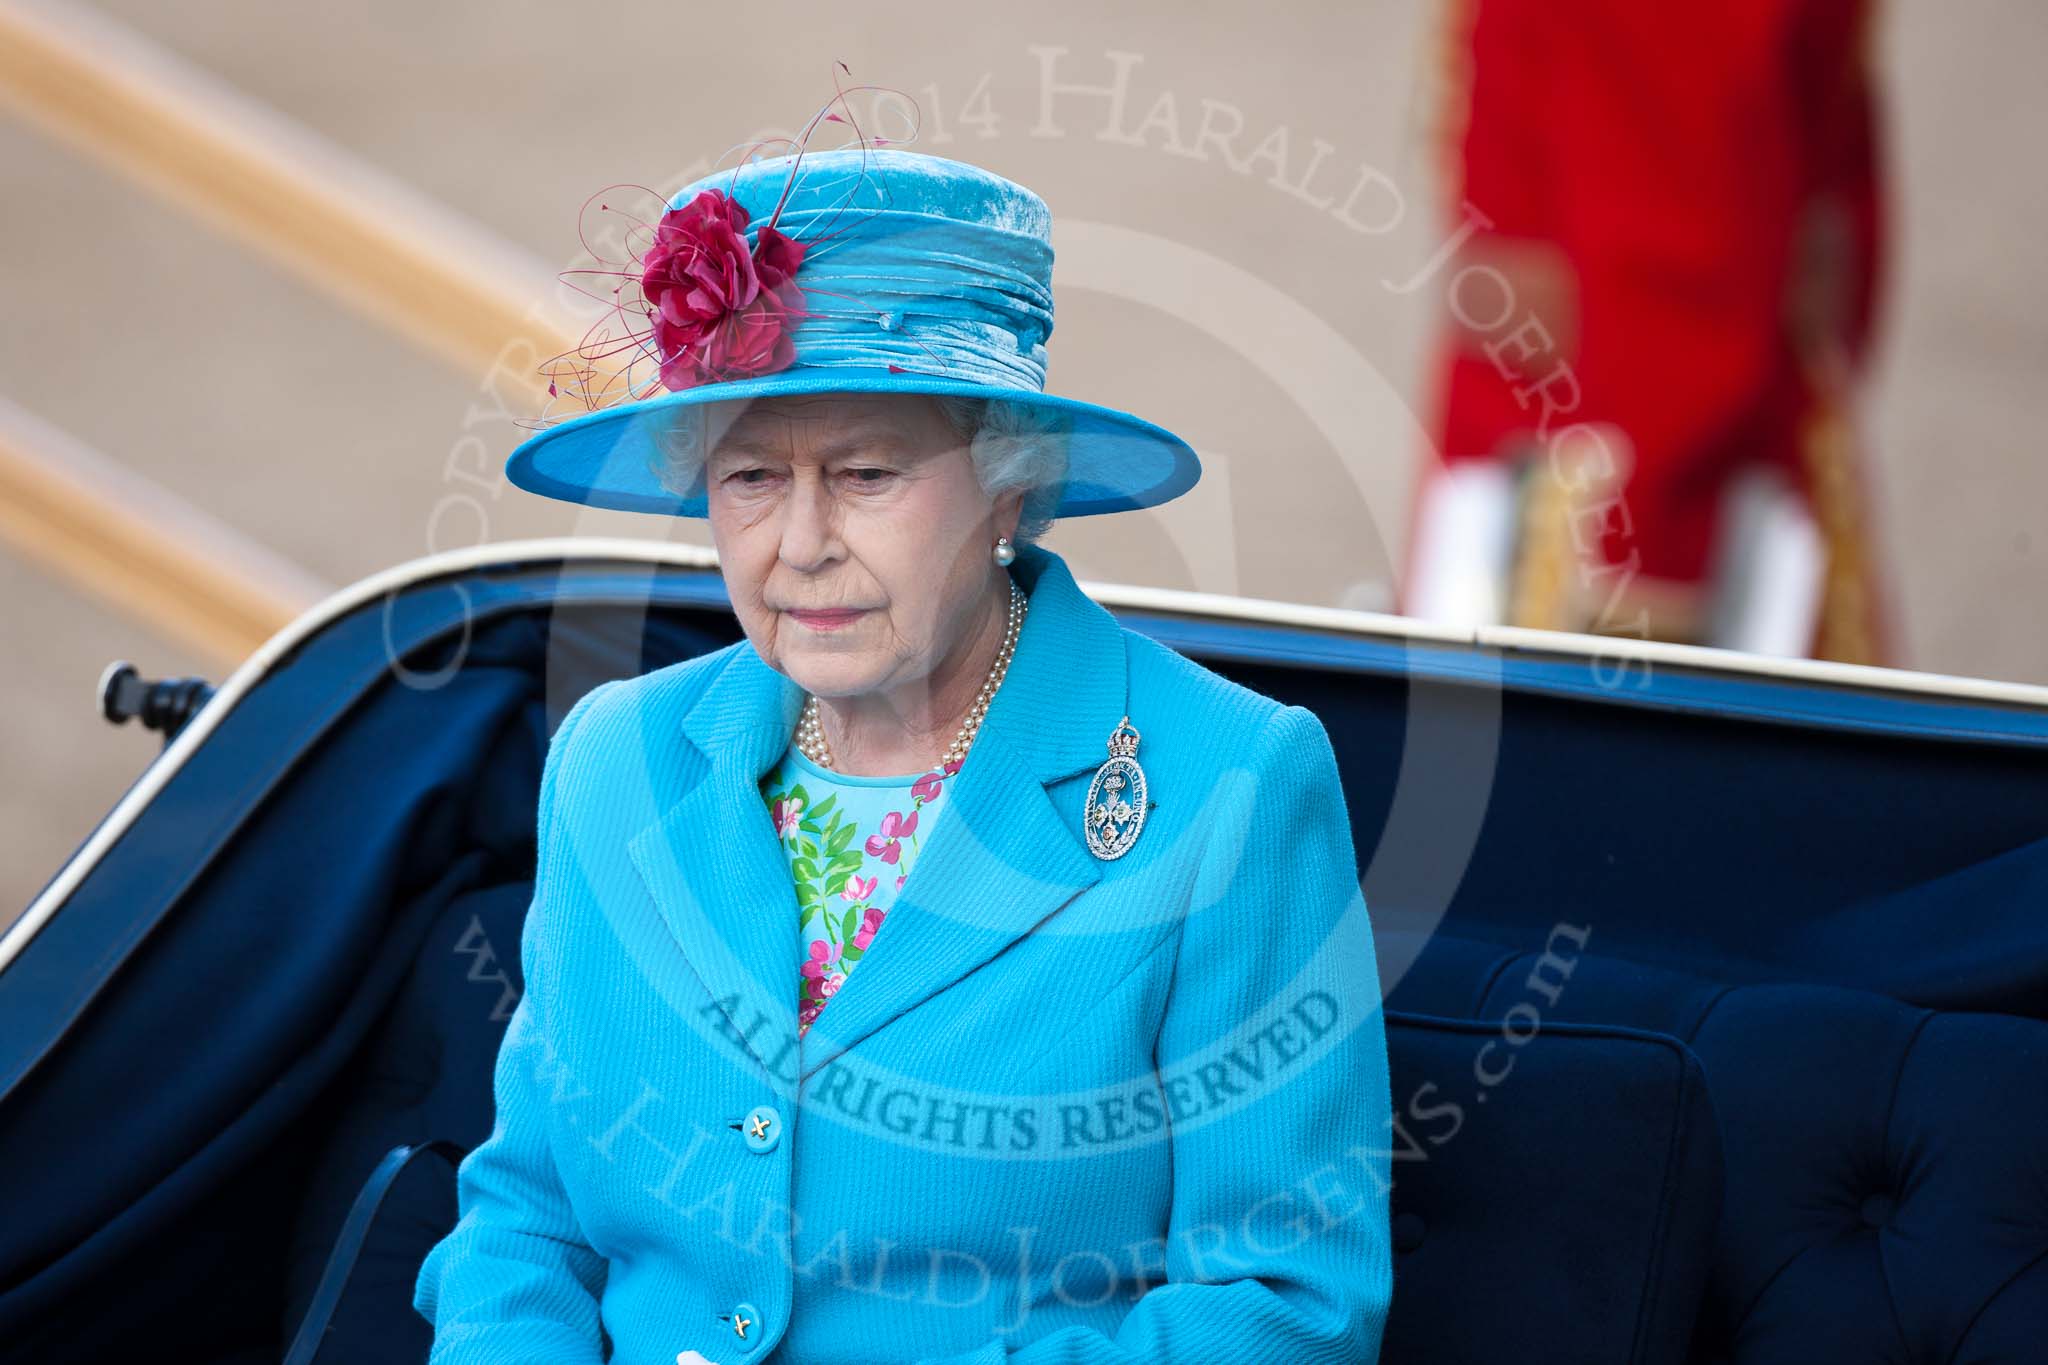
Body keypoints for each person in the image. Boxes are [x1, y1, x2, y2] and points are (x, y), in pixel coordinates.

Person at [410, 132, 1394, 1363]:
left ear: (1009, 483)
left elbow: (1284, 1304)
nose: (800, 543)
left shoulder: (1230, 785)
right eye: (751, 477)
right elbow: (527, 1220)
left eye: (866, 473)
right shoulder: (614, 759)